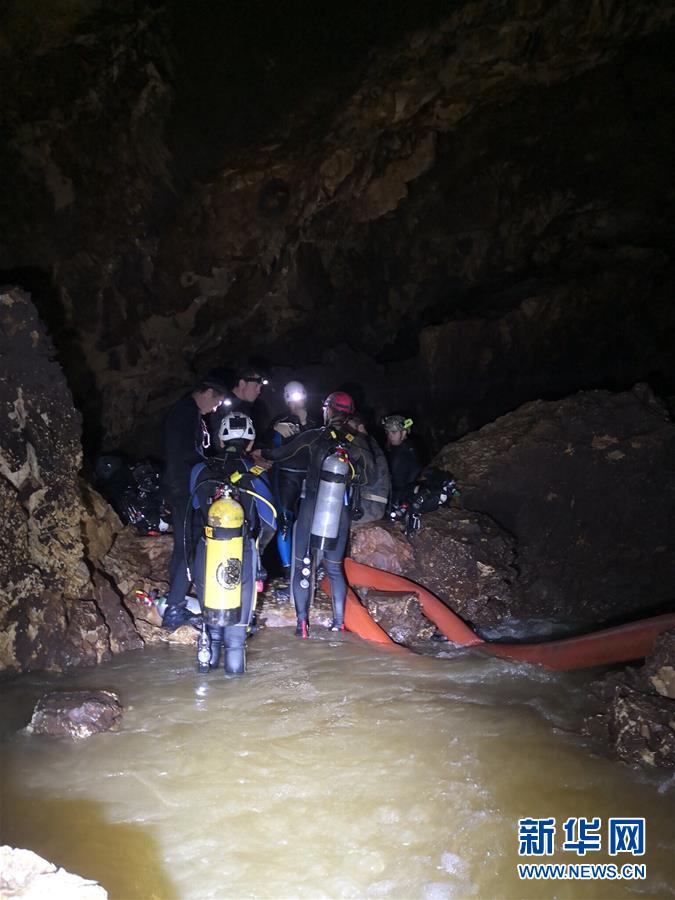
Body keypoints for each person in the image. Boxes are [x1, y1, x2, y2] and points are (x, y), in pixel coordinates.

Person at [254, 391, 375, 637]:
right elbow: (369, 476)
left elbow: (280, 454)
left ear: (328, 410)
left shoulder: (314, 436)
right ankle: (339, 622)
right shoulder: (357, 442)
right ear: (348, 414)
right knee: (334, 568)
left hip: (311, 506)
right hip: (340, 511)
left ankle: (302, 624)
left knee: (302, 564)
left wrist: (259, 452)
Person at [190, 412, 277, 674]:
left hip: (206, 550)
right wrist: (258, 551)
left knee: (211, 630)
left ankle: (205, 679)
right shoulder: (255, 473)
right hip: (242, 551)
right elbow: (270, 521)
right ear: (250, 443)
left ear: (219, 440)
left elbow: (195, 508)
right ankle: (235, 688)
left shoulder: (199, 470)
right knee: (236, 641)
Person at [161, 377, 228, 630]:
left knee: (183, 545)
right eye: (217, 402)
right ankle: (174, 609)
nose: (216, 408)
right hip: (184, 487)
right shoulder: (186, 413)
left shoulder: (187, 411)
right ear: (208, 392)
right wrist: (213, 468)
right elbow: (185, 453)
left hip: (180, 485)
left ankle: (175, 599)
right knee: (191, 545)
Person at [264, 381, 319, 583]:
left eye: (300, 397)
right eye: (292, 399)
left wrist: (305, 424)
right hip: (286, 477)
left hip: (309, 477)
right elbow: (267, 447)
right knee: (285, 522)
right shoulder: (279, 421)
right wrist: (275, 431)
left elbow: (320, 444)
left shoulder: (314, 421)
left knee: (310, 521)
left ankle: (308, 564)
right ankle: (287, 569)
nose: (296, 403)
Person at [206, 367, 268, 451]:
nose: (258, 391)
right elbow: (218, 439)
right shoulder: (224, 406)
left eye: (260, 387)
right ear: (242, 384)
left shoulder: (245, 406)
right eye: (256, 386)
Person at [347, 413, 390, 523]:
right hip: (373, 504)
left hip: (368, 506)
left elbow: (369, 479)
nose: (346, 430)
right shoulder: (369, 442)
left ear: (360, 427)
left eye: (349, 426)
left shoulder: (361, 443)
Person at [382, 414, 421, 506]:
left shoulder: (408, 449)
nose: (390, 436)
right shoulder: (390, 448)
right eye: (388, 432)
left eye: (394, 432)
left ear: (403, 433)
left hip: (403, 494)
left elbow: (415, 472)